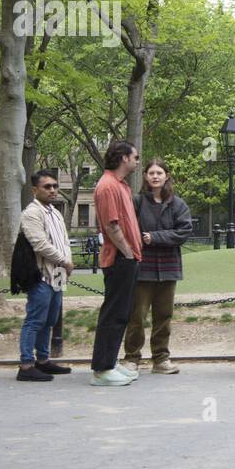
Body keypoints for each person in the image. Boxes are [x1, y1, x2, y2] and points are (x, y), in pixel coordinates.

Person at [123, 158, 192, 375]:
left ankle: (161, 358)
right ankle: (132, 358)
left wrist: (155, 237)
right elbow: (127, 228)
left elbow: (183, 232)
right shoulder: (136, 202)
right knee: (137, 317)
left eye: (159, 173)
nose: (155, 176)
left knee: (164, 316)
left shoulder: (178, 204)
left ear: (166, 176)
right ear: (145, 176)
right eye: (151, 172)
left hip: (169, 268)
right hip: (142, 269)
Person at [89, 140, 142, 386]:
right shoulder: (107, 186)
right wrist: (128, 252)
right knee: (113, 314)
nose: (137, 161)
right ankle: (101, 369)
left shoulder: (121, 186)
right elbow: (111, 226)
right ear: (124, 158)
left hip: (128, 258)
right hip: (119, 258)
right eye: (135, 157)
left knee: (121, 313)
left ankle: (109, 362)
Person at [18, 171, 75, 381]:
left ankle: (43, 361)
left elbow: (64, 240)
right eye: (47, 187)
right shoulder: (32, 213)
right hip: (42, 274)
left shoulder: (55, 212)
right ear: (35, 190)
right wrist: (65, 261)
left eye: (54, 186)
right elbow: (40, 244)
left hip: (59, 274)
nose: (52, 190)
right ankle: (26, 365)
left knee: (50, 319)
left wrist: (66, 263)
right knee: (35, 320)